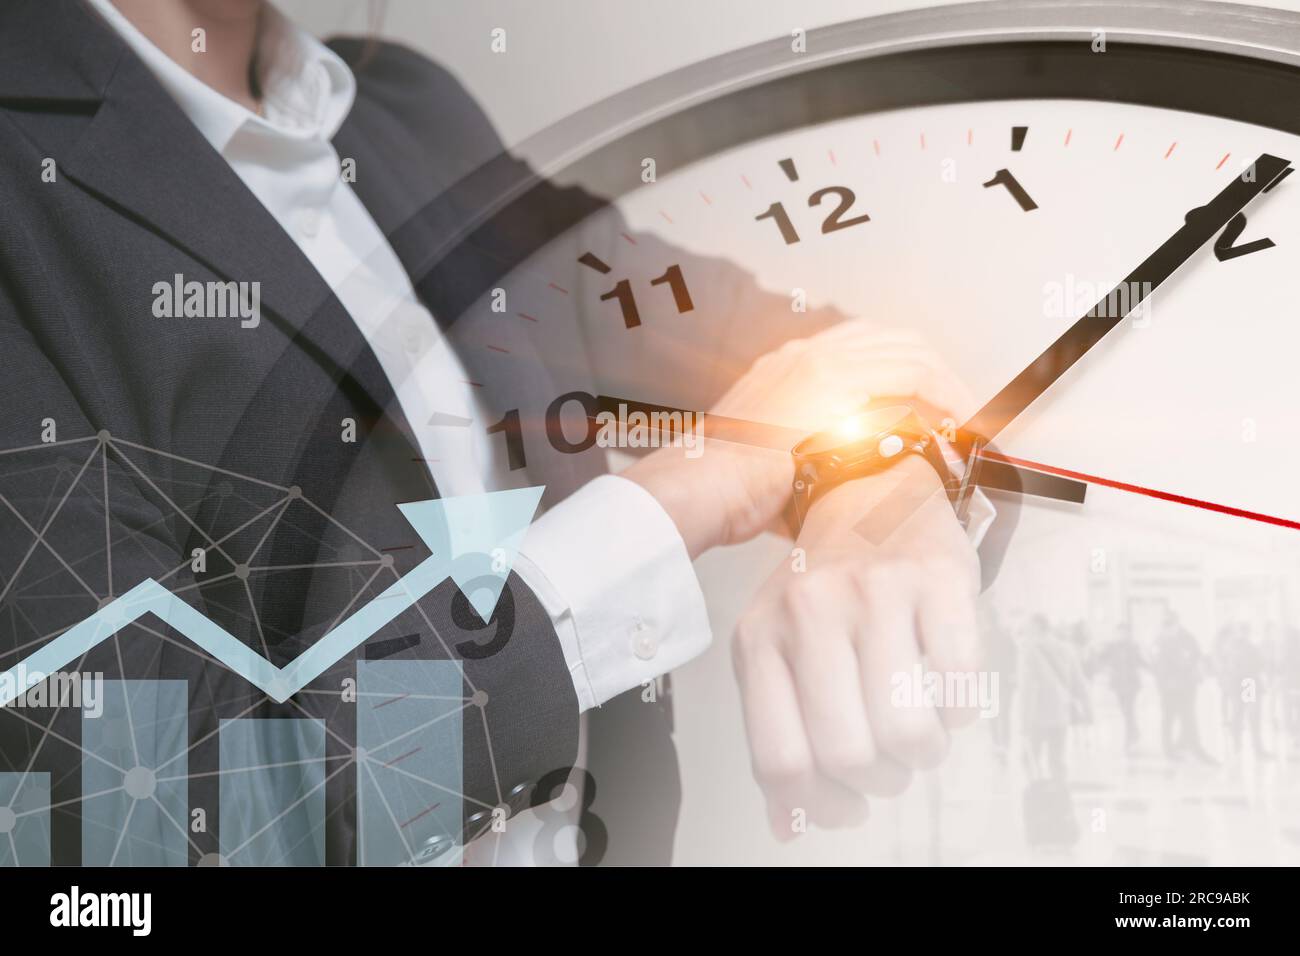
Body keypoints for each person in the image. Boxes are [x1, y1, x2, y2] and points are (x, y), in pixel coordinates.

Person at [0, 0, 1005, 864]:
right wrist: (681, 500)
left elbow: (812, 355)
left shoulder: (409, 111)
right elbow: (144, 814)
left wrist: (869, 498)